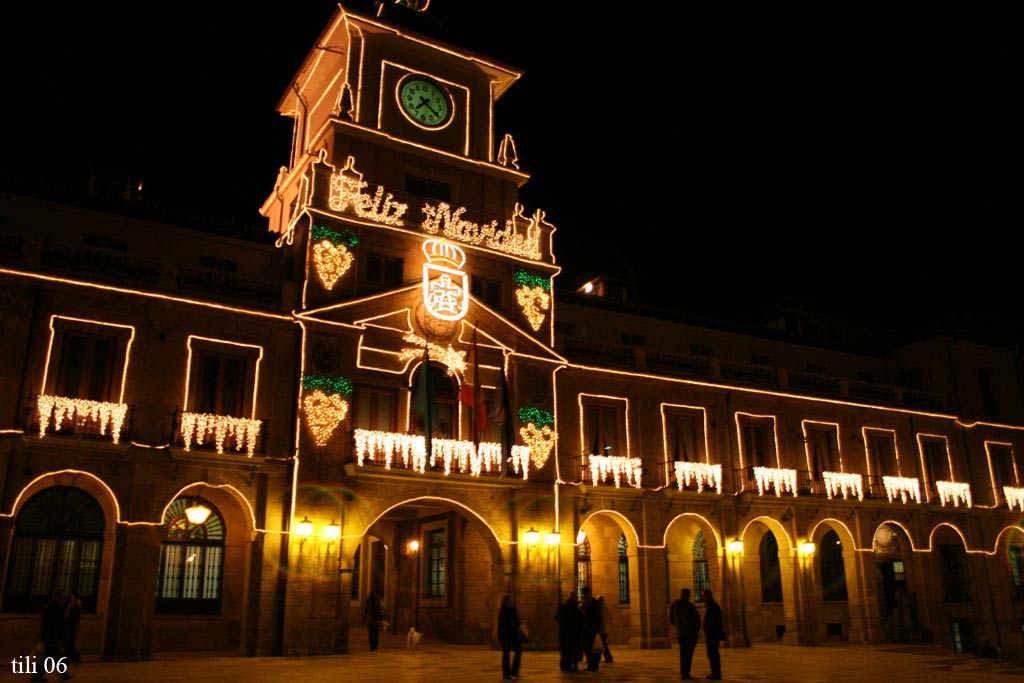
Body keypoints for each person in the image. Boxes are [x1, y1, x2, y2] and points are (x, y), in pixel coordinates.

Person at [34, 588, 71, 682]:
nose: (63, 598)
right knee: (53, 656)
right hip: (51, 637)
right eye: (62, 595)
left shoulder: (55, 606)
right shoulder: (52, 607)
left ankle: (37, 676)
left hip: (51, 636)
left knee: (50, 657)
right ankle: (63, 674)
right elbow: (51, 623)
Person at [669, 588, 702, 680]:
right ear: (687, 595)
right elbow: (695, 620)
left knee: (683, 654)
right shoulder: (689, 606)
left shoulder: (675, 605)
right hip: (690, 634)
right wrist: (695, 628)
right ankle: (686, 673)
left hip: (681, 634)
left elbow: (671, 619)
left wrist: (679, 627)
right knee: (688, 654)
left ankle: (684, 673)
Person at [701, 588, 726, 680]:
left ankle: (716, 673)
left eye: (704, 596)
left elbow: (715, 621)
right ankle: (715, 672)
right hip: (711, 634)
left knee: (713, 654)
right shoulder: (711, 606)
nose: (702, 598)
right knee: (712, 654)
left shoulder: (713, 607)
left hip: (712, 635)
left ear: (708, 596)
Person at [496, 594, 523, 679]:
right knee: (507, 653)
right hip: (506, 635)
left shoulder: (511, 610)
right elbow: (505, 623)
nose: (511, 602)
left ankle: (513, 672)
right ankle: (507, 674)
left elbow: (517, 620)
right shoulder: (504, 611)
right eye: (510, 600)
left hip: (512, 635)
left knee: (517, 651)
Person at [555, 593, 582, 672]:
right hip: (571, 633)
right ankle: (568, 666)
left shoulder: (561, 605)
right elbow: (578, 618)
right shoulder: (574, 607)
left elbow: (556, 618)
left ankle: (563, 665)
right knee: (570, 650)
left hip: (562, 632)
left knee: (563, 650)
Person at [578, 586, 602, 672]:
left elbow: (596, 615)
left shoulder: (595, 603)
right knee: (587, 648)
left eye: (585, 593)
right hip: (585, 630)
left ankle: (594, 665)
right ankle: (590, 665)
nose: (584, 595)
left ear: (589, 593)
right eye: (583, 594)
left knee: (594, 649)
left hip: (593, 629)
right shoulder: (582, 603)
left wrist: (585, 609)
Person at [64, 591, 82, 666]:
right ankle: (71, 659)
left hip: (71, 626)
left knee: (69, 644)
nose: (71, 598)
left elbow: (73, 617)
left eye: (73, 597)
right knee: (69, 644)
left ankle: (74, 659)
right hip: (71, 626)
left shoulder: (75, 605)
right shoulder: (74, 605)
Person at [597, 594, 613, 663]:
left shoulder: (599, 609)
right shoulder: (608, 609)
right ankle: (605, 658)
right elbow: (611, 620)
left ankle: (608, 658)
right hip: (606, 630)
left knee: (602, 644)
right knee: (602, 644)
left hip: (601, 630)